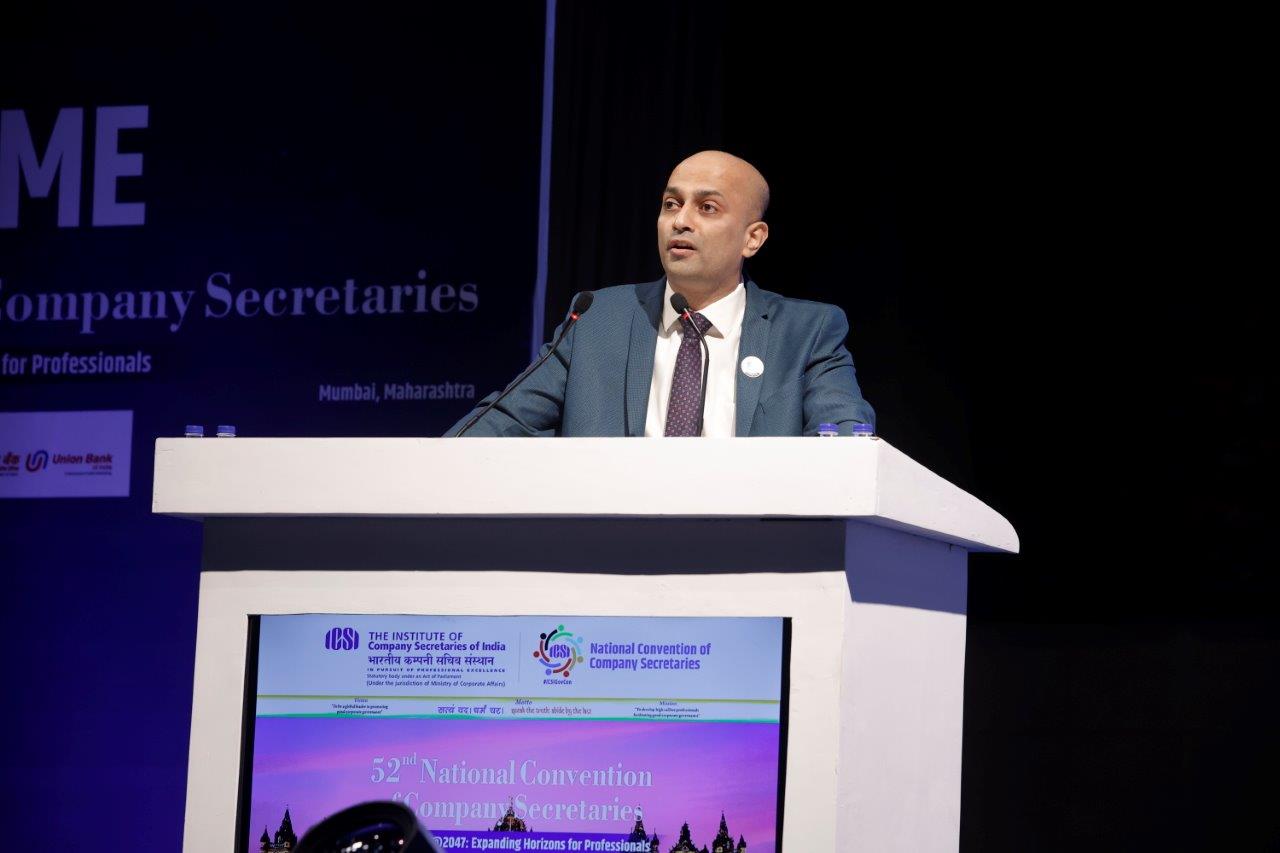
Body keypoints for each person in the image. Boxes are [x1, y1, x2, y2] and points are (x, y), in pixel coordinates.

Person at [448, 150, 874, 437]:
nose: (680, 221)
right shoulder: (598, 318)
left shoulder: (807, 331)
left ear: (753, 238)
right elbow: (500, 423)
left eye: (707, 208)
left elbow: (845, 436)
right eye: (671, 204)